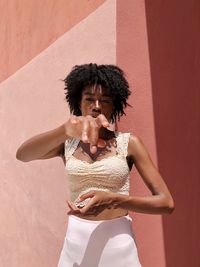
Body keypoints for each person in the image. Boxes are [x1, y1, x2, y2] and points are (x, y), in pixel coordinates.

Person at [16, 63, 174, 267]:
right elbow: (23, 155)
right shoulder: (66, 144)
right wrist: (63, 131)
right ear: (78, 103)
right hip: (76, 242)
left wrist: (114, 200)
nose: (97, 105)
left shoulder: (129, 143)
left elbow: (166, 203)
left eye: (105, 100)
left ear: (114, 106)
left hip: (118, 243)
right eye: (89, 99)